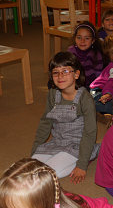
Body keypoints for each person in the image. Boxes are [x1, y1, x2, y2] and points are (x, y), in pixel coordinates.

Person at [32, 52, 98, 183]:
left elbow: (89, 132)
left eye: (65, 71)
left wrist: (82, 165)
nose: (60, 76)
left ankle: (90, 153)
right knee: (31, 169)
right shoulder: (52, 94)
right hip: (57, 142)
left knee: (47, 174)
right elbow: (45, 123)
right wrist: (34, 150)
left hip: (77, 145)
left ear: (76, 74)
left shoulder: (85, 99)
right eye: (56, 72)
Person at [67, 23, 105, 89]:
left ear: (93, 40)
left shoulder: (96, 54)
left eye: (87, 38)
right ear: (75, 38)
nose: (82, 41)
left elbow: (98, 75)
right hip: (73, 84)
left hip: (90, 86)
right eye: (79, 37)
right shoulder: (70, 51)